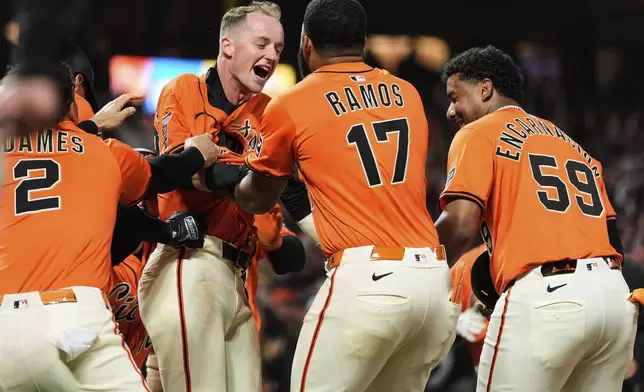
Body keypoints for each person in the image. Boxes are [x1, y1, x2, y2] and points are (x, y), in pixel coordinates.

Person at [204, 0, 459, 390]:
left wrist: (220, 175)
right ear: (364, 42)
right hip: (433, 284)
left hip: (368, 280)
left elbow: (256, 199)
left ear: (306, 43)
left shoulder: (292, 102)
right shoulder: (407, 93)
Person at [0, 62, 218, 391]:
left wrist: (90, 124)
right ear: (71, 103)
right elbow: (156, 175)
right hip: (75, 317)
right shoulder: (103, 153)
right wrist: (194, 156)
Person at [435, 45, 637, 392]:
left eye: (456, 96)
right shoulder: (574, 146)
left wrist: (418, 268)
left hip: (548, 296)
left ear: (485, 89)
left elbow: (461, 224)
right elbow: (612, 237)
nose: (451, 110)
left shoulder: (477, 132)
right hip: (614, 302)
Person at [137, 2, 302, 392]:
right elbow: (187, 172)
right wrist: (253, 176)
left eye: (278, 48)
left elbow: (282, 198)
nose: (272, 55)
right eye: (261, 42)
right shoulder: (183, 89)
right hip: (190, 260)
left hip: (238, 276)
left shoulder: (272, 111)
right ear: (227, 45)